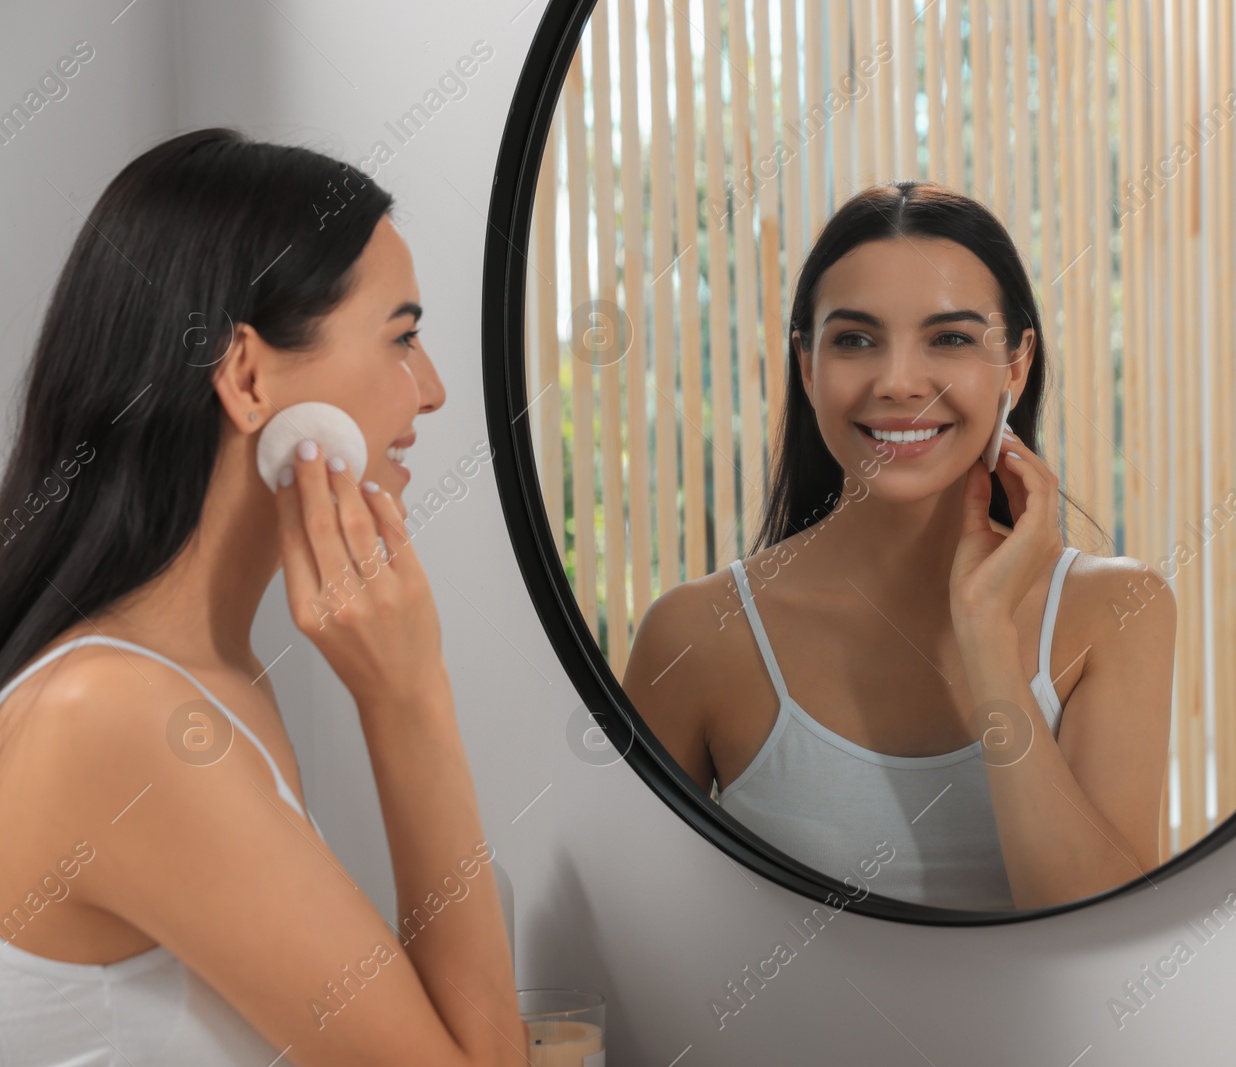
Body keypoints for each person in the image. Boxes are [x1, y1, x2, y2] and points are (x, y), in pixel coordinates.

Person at [0, 129, 527, 1064]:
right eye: (403, 337)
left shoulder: (206, 675)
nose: (435, 389)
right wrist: (408, 697)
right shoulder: (116, 716)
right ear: (247, 377)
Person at [625, 181, 1176, 911]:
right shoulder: (696, 634)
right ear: (807, 363)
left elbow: (1104, 940)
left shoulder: (1119, 610)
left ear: (1016, 362)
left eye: (949, 338)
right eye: (855, 339)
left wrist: (985, 635)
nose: (898, 382)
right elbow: (629, 932)